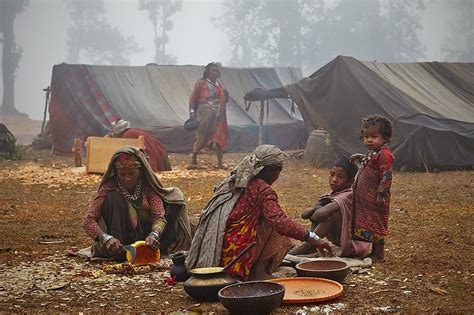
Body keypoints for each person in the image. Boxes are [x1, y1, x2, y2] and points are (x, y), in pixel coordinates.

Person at [186, 145, 334, 281]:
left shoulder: (235, 180)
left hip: (217, 256)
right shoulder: (262, 190)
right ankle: (259, 271)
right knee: (278, 221)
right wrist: (314, 238)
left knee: (271, 216)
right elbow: (280, 222)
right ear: (274, 171)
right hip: (236, 259)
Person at [82, 146, 192, 260]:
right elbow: (88, 221)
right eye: (122, 174)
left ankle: (154, 249)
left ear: (140, 172)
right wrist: (106, 238)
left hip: (147, 238)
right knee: (113, 198)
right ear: (116, 173)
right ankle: (119, 253)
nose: (127, 179)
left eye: (132, 174)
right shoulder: (109, 186)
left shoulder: (147, 186)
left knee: (174, 201)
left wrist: (154, 234)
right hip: (120, 240)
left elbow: (158, 216)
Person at [289, 155, 371, 258]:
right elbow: (304, 215)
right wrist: (317, 208)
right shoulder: (331, 194)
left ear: (350, 181)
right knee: (322, 212)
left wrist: (318, 209)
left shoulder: (349, 195)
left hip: (354, 245)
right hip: (339, 240)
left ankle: (307, 246)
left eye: (340, 177)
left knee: (330, 214)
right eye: (332, 175)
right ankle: (311, 245)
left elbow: (319, 215)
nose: (334, 180)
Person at [349, 115, 394, 262]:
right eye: (366, 136)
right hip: (367, 199)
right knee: (371, 224)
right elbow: (371, 162)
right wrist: (360, 156)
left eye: (374, 136)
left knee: (377, 224)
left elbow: (386, 175)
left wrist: (381, 194)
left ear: (385, 138)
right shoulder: (374, 152)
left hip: (376, 198)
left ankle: (379, 254)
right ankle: (374, 252)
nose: (369, 140)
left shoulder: (385, 154)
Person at [187, 62, 228, 169]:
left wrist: (226, 95)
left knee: (219, 136)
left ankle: (220, 163)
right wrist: (192, 114)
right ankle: (194, 159)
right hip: (204, 111)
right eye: (213, 70)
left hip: (219, 113)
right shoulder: (201, 83)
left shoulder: (220, 85)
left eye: (217, 71)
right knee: (203, 135)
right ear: (207, 72)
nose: (215, 73)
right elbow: (193, 98)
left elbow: (224, 100)